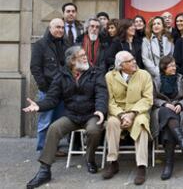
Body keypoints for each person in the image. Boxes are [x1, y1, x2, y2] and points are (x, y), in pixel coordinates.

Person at [24, 46, 107, 188]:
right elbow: (52, 99)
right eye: (81, 56)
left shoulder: (95, 73)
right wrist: (39, 106)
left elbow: (101, 93)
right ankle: (44, 170)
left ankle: (90, 158)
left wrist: (100, 110)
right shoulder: (61, 75)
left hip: (91, 114)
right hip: (72, 116)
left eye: (84, 54)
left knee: (94, 130)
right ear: (72, 61)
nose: (85, 57)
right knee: (54, 128)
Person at [102, 51, 153, 185]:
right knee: (112, 123)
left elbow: (148, 99)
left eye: (133, 59)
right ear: (121, 65)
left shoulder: (144, 75)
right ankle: (113, 162)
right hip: (118, 112)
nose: (134, 62)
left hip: (138, 111)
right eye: (129, 61)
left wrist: (131, 114)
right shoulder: (109, 77)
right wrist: (120, 115)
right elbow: (109, 101)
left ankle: (141, 166)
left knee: (142, 123)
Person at [30, 18, 68, 153]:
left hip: (62, 90)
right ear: (50, 28)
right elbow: (35, 67)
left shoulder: (65, 44)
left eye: (62, 28)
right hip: (48, 90)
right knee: (45, 122)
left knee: (57, 122)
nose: (60, 30)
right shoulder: (40, 45)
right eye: (57, 27)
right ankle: (42, 150)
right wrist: (43, 86)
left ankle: (53, 148)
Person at [150, 56, 183, 180]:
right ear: (164, 67)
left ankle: (169, 165)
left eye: (174, 65)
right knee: (167, 112)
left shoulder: (180, 79)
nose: (174, 67)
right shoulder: (156, 80)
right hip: (161, 111)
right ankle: (181, 140)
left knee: (169, 128)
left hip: (177, 112)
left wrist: (180, 104)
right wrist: (164, 104)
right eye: (171, 65)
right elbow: (152, 98)